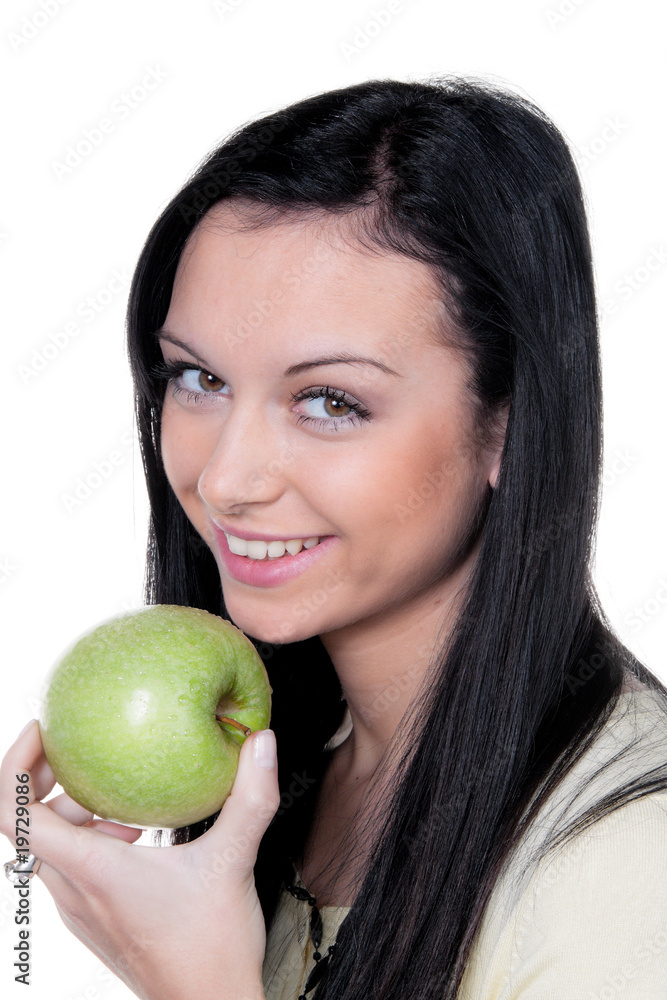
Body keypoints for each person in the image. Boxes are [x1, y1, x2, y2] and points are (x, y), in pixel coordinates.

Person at [2, 75, 667, 1000]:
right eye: (198, 379)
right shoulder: (290, 769)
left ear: (508, 427)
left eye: (329, 401)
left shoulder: (630, 867)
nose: (225, 481)